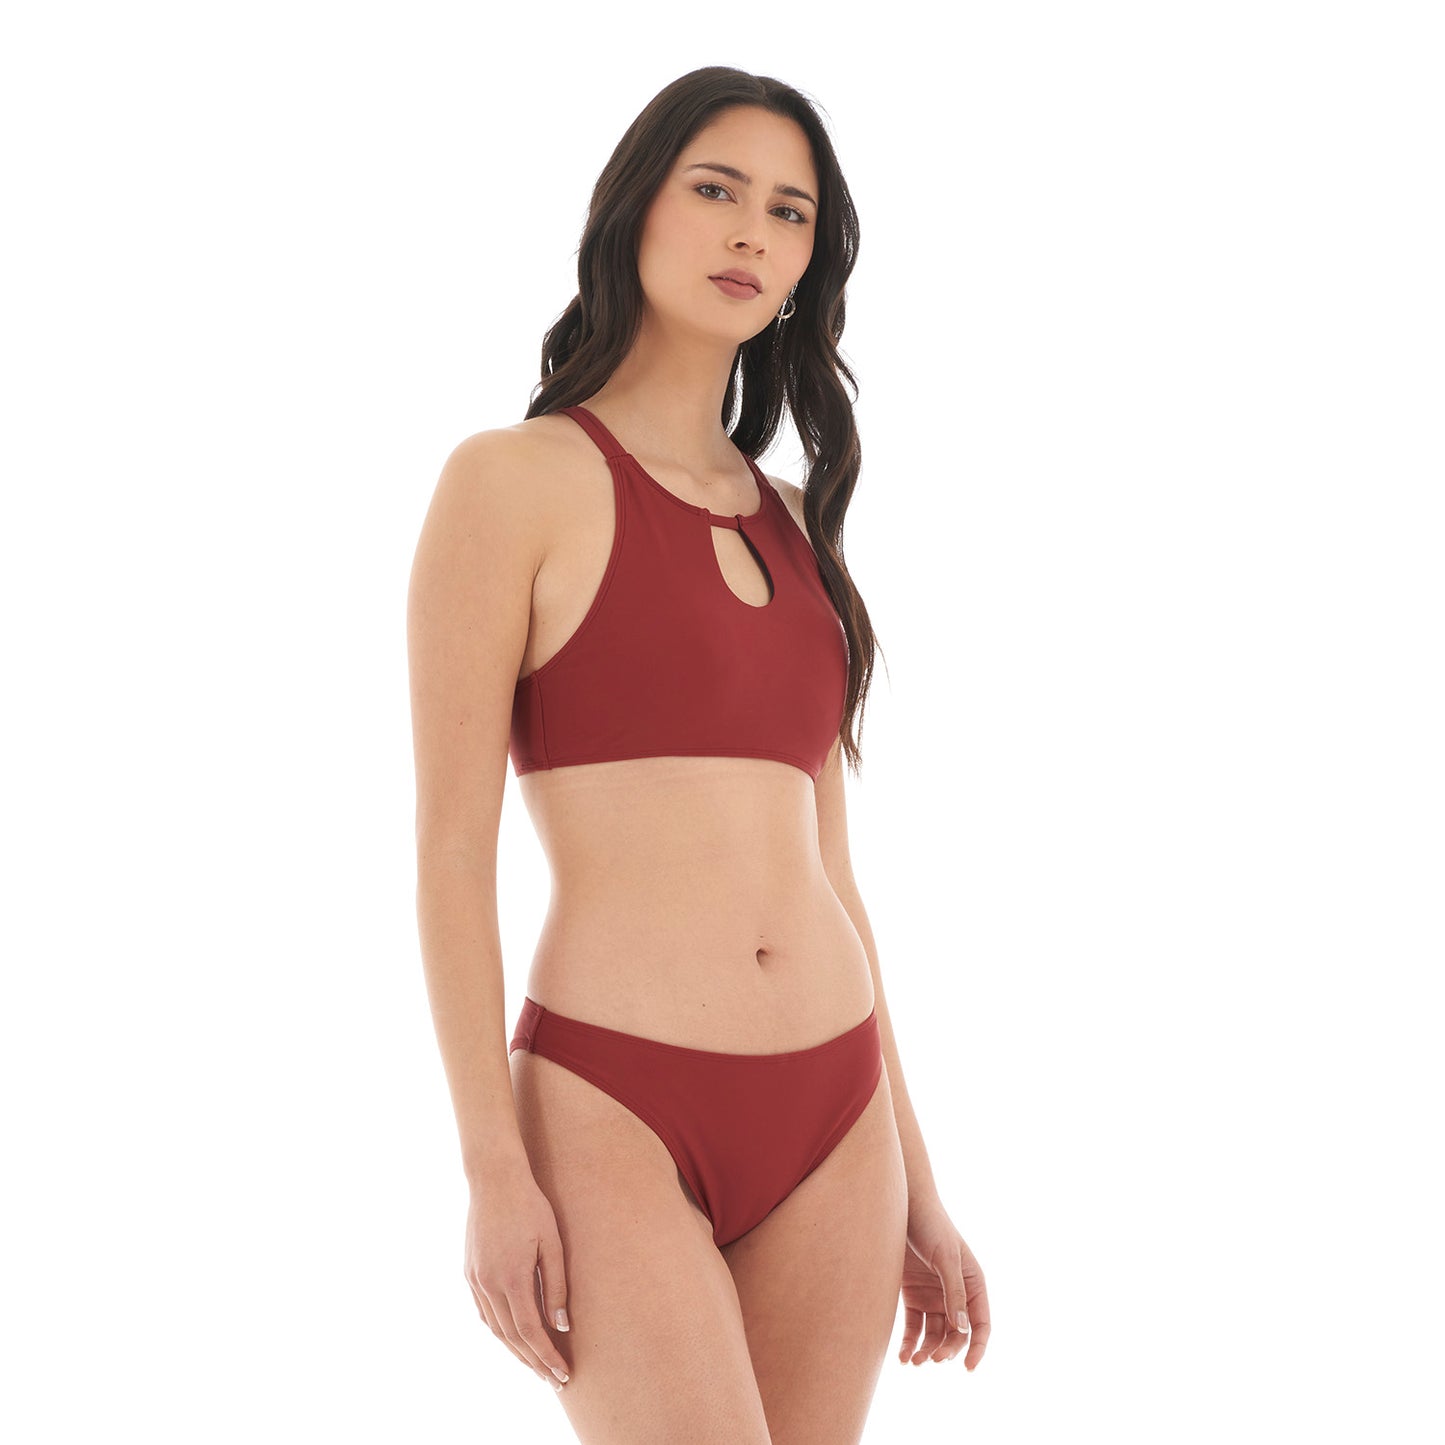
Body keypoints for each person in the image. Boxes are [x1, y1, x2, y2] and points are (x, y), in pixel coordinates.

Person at [407, 65, 990, 1443]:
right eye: (715, 189)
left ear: (806, 266)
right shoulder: (511, 480)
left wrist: (918, 1174)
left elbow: (835, 876)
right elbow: (450, 853)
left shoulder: (797, 524)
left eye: (788, 213)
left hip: (836, 1108)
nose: (750, 233)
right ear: (631, 210)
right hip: (614, 1098)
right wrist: (492, 1168)